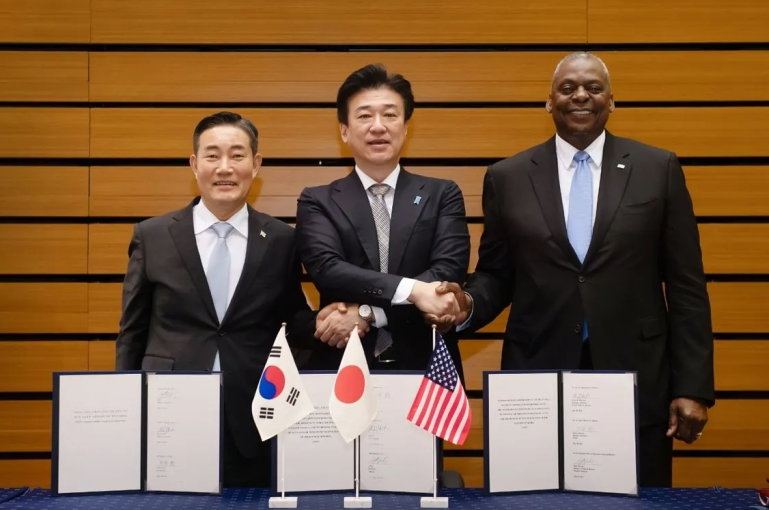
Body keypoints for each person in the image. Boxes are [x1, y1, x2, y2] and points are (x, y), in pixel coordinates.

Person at [430, 52, 715, 487]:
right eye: (567, 88)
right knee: (534, 500)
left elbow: (686, 285)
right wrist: (466, 304)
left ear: (611, 101)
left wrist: (692, 386)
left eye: (593, 88)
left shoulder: (658, 169)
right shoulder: (508, 177)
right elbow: (497, 275)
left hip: (637, 379)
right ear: (549, 101)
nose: (580, 95)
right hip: (536, 377)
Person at [114, 111, 345, 487]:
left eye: (237, 155)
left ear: (255, 165)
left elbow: (291, 316)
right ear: (194, 164)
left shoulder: (282, 239)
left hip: (254, 413)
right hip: (170, 412)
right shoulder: (152, 235)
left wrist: (326, 319)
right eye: (212, 155)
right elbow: (132, 332)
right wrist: (126, 409)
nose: (225, 168)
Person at [296, 64, 469, 377]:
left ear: (406, 127)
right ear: (344, 131)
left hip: (427, 368)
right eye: (364, 116)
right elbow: (329, 271)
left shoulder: (442, 193)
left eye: (390, 115)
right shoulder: (317, 200)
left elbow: (447, 272)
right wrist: (413, 290)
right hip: (343, 370)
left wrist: (370, 313)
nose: (378, 126)